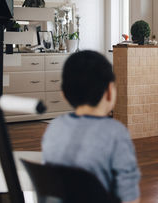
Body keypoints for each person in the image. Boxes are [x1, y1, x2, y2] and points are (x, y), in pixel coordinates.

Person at [42, 51, 140, 203]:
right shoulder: (115, 133)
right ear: (109, 92)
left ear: (64, 94)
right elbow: (129, 195)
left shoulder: (54, 127)